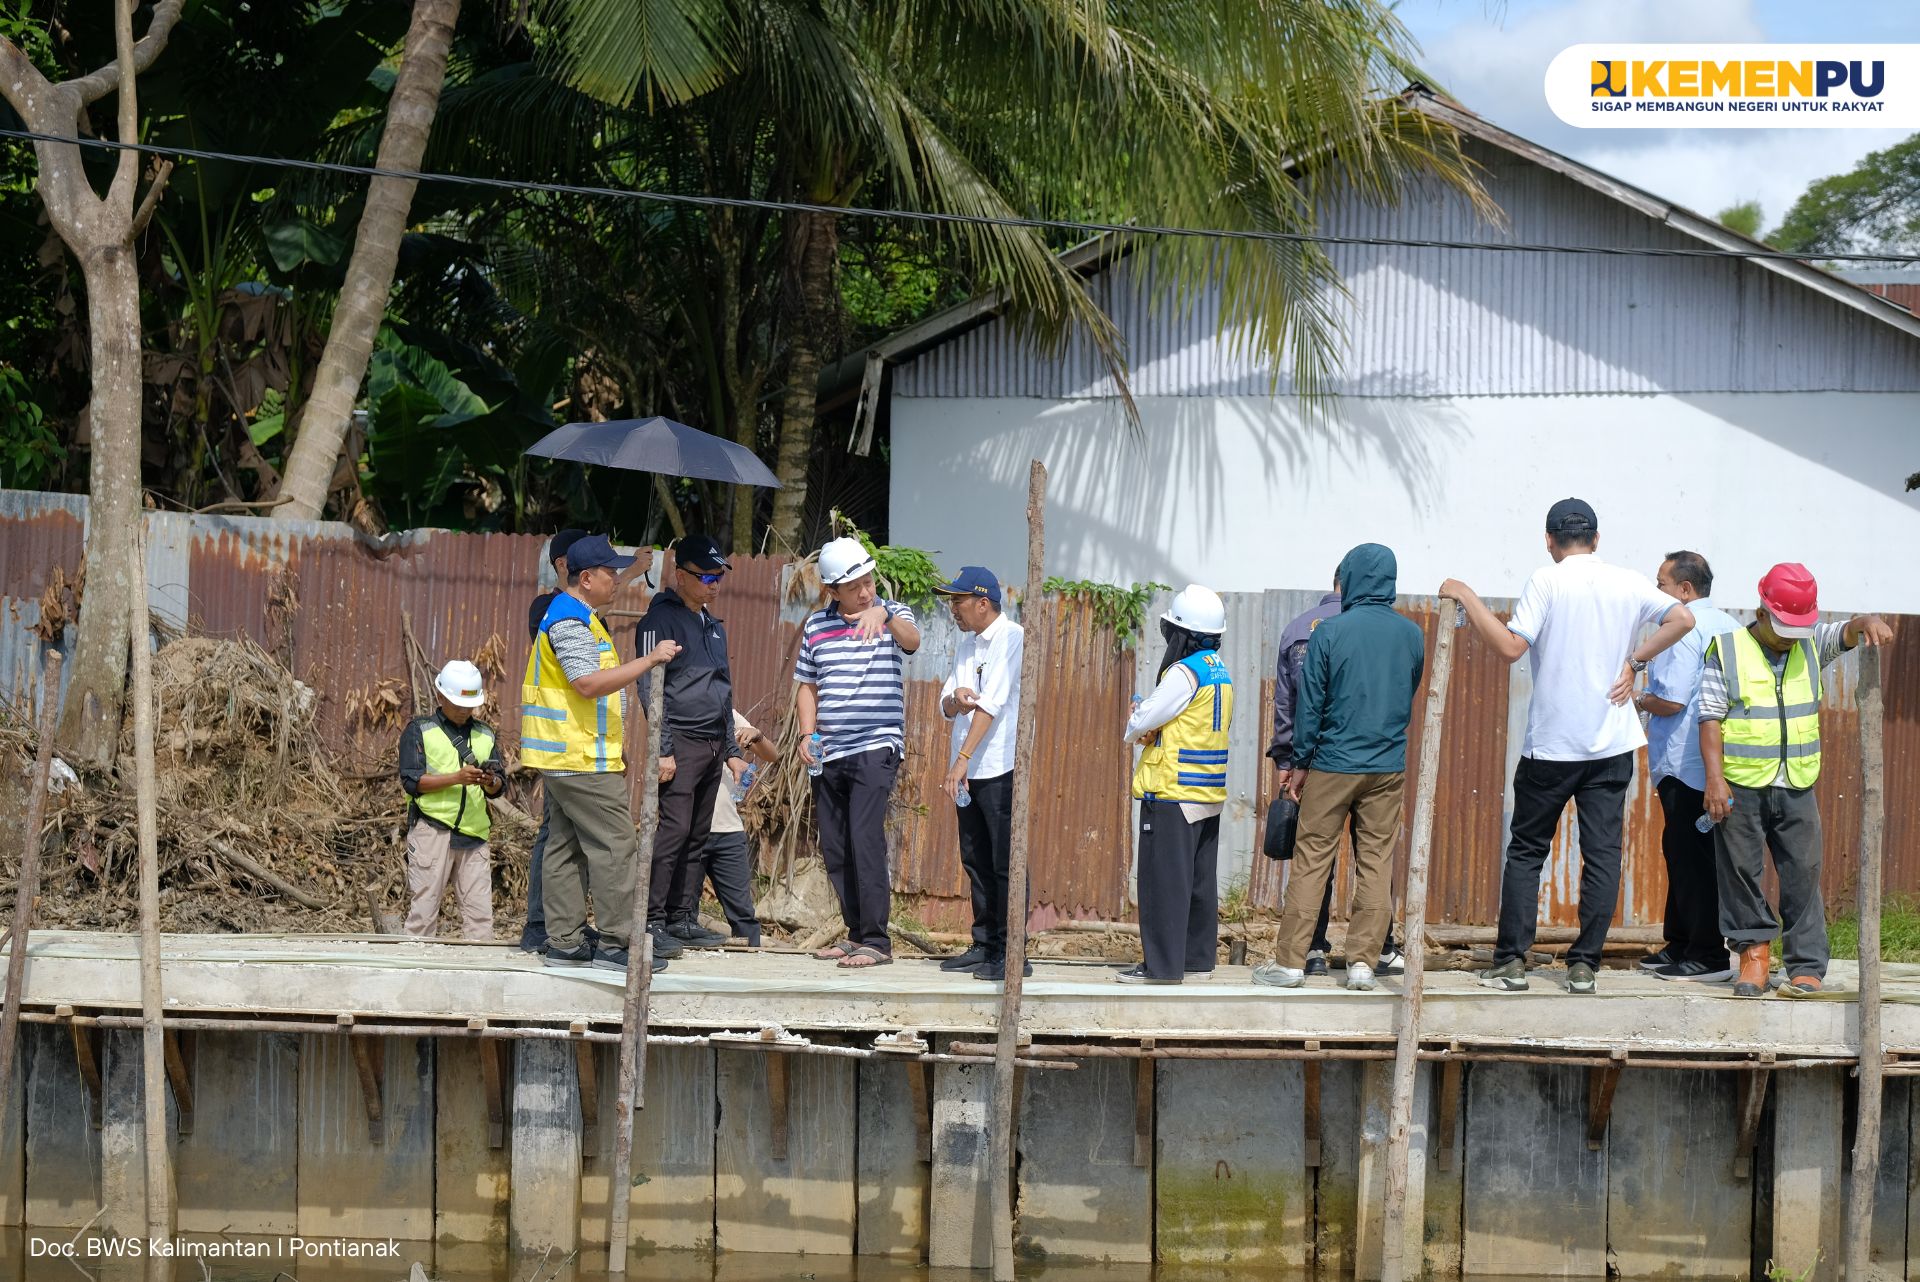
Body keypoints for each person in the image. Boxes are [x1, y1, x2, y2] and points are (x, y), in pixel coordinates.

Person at [1441, 498, 1695, 995]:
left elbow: (1513, 647)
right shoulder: (1626, 581)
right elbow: (1682, 619)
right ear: (1596, 539)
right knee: (1601, 856)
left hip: (1553, 748)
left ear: (1550, 540)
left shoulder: (1546, 579)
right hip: (1612, 745)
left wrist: (1467, 596)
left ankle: (1512, 961)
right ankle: (1584, 967)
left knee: (1527, 852)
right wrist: (1635, 661)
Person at [1700, 563, 1893, 997]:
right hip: (1741, 784)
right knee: (1741, 873)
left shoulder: (1811, 642)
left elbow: (1849, 630)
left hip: (1797, 783)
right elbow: (1710, 717)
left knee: (1803, 873)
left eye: (1797, 626)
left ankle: (1805, 964)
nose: (1790, 634)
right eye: (1783, 625)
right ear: (1762, 610)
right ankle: (1754, 957)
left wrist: (1869, 621)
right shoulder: (1726, 649)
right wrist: (1715, 779)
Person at [1254, 545, 1424, 992]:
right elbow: (1409, 690)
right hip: (1386, 766)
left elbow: (1309, 706)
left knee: (1312, 860)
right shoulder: (1413, 635)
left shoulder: (1328, 632)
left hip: (1331, 763)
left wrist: (1301, 763)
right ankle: (1364, 965)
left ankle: (1291, 963)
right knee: (1376, 862)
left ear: (1348, 578)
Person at [522, 534, 680, 972]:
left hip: (570, 754)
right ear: (586, 578)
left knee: (565, 847)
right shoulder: (571, 622)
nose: (616, 580)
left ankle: (565, 943)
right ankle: (616, 943)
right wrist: (648, 661)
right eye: (611, 573)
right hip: (578, 757)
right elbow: (588, 684)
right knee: (615, 843)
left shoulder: (576, 614)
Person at [795, 536, 922, 969]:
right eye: (855, 587)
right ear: (833, 591)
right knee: (835, 843)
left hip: (876, 745)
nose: (866, 591)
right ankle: (855, 933)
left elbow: (913, 641)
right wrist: (806, 735)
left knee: (864, 836)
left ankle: (877, 941)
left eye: (869, 582)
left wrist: (884, 613)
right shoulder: (816, 627)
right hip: (829, 751)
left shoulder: (891, 612)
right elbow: (808, 687)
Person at [635, 535, 746, 959]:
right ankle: (650, 921)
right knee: (674, 831)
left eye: (719, 575)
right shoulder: (659, 621)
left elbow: (724, 690)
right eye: (706, 576)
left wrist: (732, 748)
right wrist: (662, 749)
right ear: (680, 575)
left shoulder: (711, 625)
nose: (715, 583)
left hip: (714, 744)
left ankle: (683, 917)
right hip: (678, 741)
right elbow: (649, 686)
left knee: (698, 834)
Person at [1631, 551, 1739, 982]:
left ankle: (1708, 954)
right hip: (1717, 761)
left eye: (1660, 583)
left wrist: (1636, 697)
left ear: (1684, 590)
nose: (1656, 591)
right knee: (1682, 851)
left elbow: (1672, 700)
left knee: (1692, 858)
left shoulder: (1680, 628)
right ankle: (1680, 942)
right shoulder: (1730, 626)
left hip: (1684, 761)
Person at [1120, 585, 1232, 985]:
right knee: (1199, 883)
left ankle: (1161, 967)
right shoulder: (1220, 671)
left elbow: (1140, 721)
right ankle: (1196, 958)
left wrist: (1139, 714)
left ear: (1181, 633)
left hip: (1171, 793)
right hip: (1207, 792)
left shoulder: (1184, 672)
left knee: (1163, 882)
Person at [933, 567, 1027, 982]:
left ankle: (1012, 952)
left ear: (983, 602)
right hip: (969, 770)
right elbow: (946, 703)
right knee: (975, 859)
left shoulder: (1012, 637)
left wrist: (962, 759)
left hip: (998, 766)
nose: (953, 608)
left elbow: (993, 705)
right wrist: (954, 698)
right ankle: (984, 943)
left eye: (958, 601)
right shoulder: (966, 644)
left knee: (1005, 861)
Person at [398, 660, 505, 939]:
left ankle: (480, 978)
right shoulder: (420, 730)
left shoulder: (485, 734)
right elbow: (412, 782)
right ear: (440, 696)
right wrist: (456, 778)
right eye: (458, 704)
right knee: (423, 913)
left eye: (469, 705)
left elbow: (499, 786)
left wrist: (489, 782)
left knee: (481, 920)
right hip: (432, 831)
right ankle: (413, 976)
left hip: (474, 834)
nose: (464, 710)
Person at [518, 528, 587, 954]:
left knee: (567, 836)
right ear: (565, 566)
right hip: (558, 744)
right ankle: (542, 924)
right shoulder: (549, 609)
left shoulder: (577, 609)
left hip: (579, 744)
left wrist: (635, 571)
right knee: (556, 835)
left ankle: (562, 926)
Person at [693, 709, 781, 947]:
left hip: (728, 831)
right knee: (683, 911)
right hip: (688, 831)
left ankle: (751, 965)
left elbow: (772, 755)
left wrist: (758, 736)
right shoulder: (679, 710)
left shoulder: (727, 714)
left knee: (743, 914)